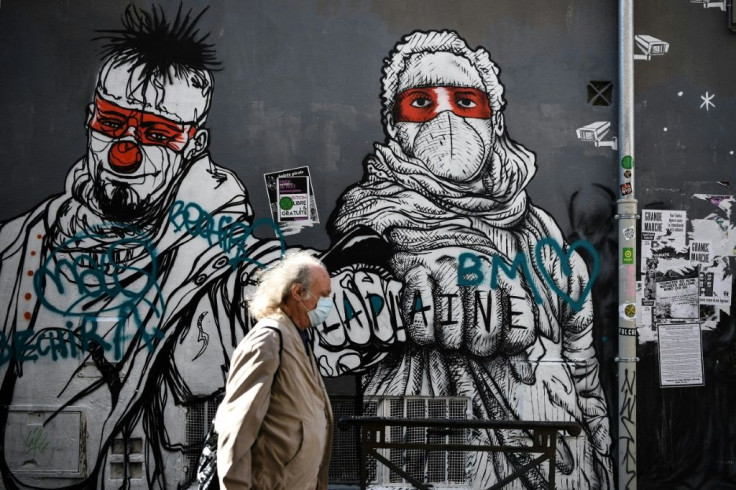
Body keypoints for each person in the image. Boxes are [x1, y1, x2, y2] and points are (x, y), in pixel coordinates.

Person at [0, 5, 283, 488]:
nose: (124, 152)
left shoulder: (216, 257)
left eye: (156, 133)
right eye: (112, 122)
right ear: (90, 120)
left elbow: (266, 293)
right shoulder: (19, 243)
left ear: (193, 144)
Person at [323, 30, 614, 488]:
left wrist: (599, 454)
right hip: (430, 466)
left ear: (494, 120)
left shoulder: (540, 232)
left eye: (464, 101)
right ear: (394, 125)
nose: (445, 116)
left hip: (562, 467)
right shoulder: (376, 219)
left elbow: (583, 367)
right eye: (421, 102)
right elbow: (349, 287)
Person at [215, 251, 333, 489]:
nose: (327, 304)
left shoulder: (298, 336)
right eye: (323, 295)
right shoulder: (269, 339)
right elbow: (237, 425)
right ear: (298, 292)